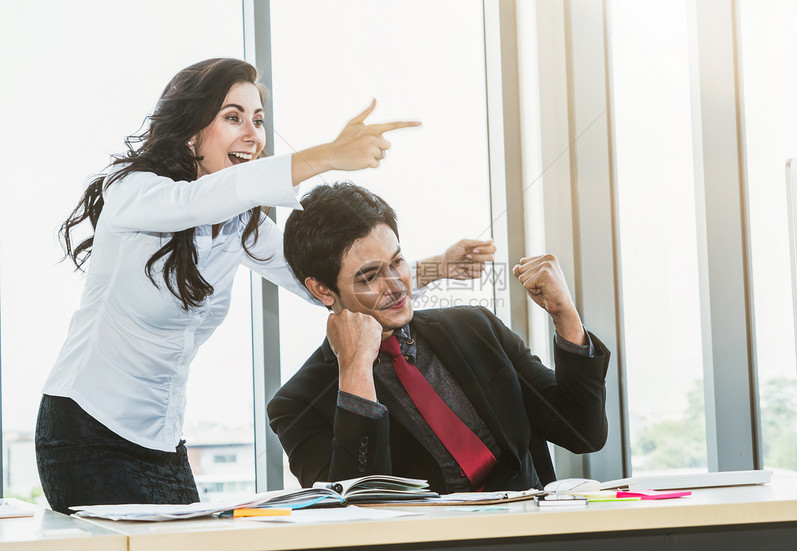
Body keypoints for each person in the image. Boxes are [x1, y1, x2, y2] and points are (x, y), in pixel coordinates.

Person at [36, 58, 493, 513]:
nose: (252, 134)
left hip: (161, 440)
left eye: (258, 120)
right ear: (190, 129)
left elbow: (332, 282)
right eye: (232, 118)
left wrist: (440, 267)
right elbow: (202, 199)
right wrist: (330, 154)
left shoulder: (242, 226)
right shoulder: (134, 192)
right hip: (85, 430)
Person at [268, 183, 610, 493]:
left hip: (528, 540)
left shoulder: (476, 327)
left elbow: (582, 431)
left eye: (397, 261)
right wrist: (356, 367)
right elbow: (354, 510)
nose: (397, 284)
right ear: (322, 289)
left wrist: (564, 314)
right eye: (370, 276)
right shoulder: (297, 404)